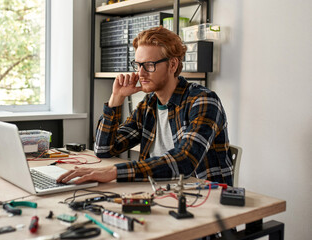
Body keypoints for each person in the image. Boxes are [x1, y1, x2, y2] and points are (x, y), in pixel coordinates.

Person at [57, 26, 233, 186]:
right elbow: (104, 150)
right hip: (156, 191)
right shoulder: (149, 105)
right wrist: (116, 98)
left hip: (203, 198)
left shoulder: (203, 100)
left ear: (172, 64)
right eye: (138, 65)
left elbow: (184, 161)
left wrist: (113, 172)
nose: (140, 73)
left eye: (149, 65)